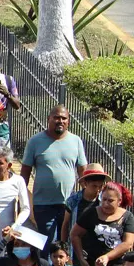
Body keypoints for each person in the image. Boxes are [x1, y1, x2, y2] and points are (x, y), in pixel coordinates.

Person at [21, 106, 87, 248]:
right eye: (56, 117)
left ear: (68, 121)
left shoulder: (76, 141)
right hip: (43, 204)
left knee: (66, 246)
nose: (60, 121)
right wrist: (20, 198)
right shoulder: (35, 141)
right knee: (47, 246)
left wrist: (88, 197)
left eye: (64, 118)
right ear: (48, 119)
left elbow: (83, 172)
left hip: (69, 204)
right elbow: (25, 171)